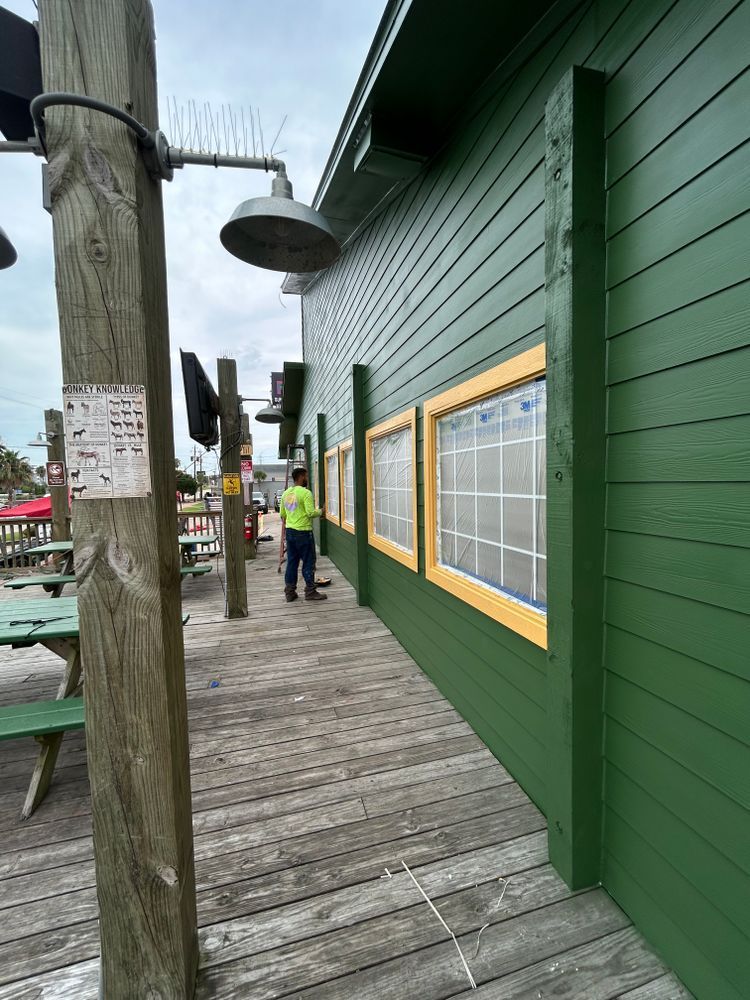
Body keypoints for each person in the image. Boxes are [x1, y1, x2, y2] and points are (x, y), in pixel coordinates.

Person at [280, 467, 327, 602]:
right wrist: (322, 511)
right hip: (304, 533)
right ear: (301, 477)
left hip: (290, 532)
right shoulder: (306, 493)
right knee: (308, 561)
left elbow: (282, 514)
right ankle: (310, 592)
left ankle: (290, 592)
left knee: (292, 562)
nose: (307, 479)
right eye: (306, 476)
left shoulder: (286, 493)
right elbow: (310, 513)